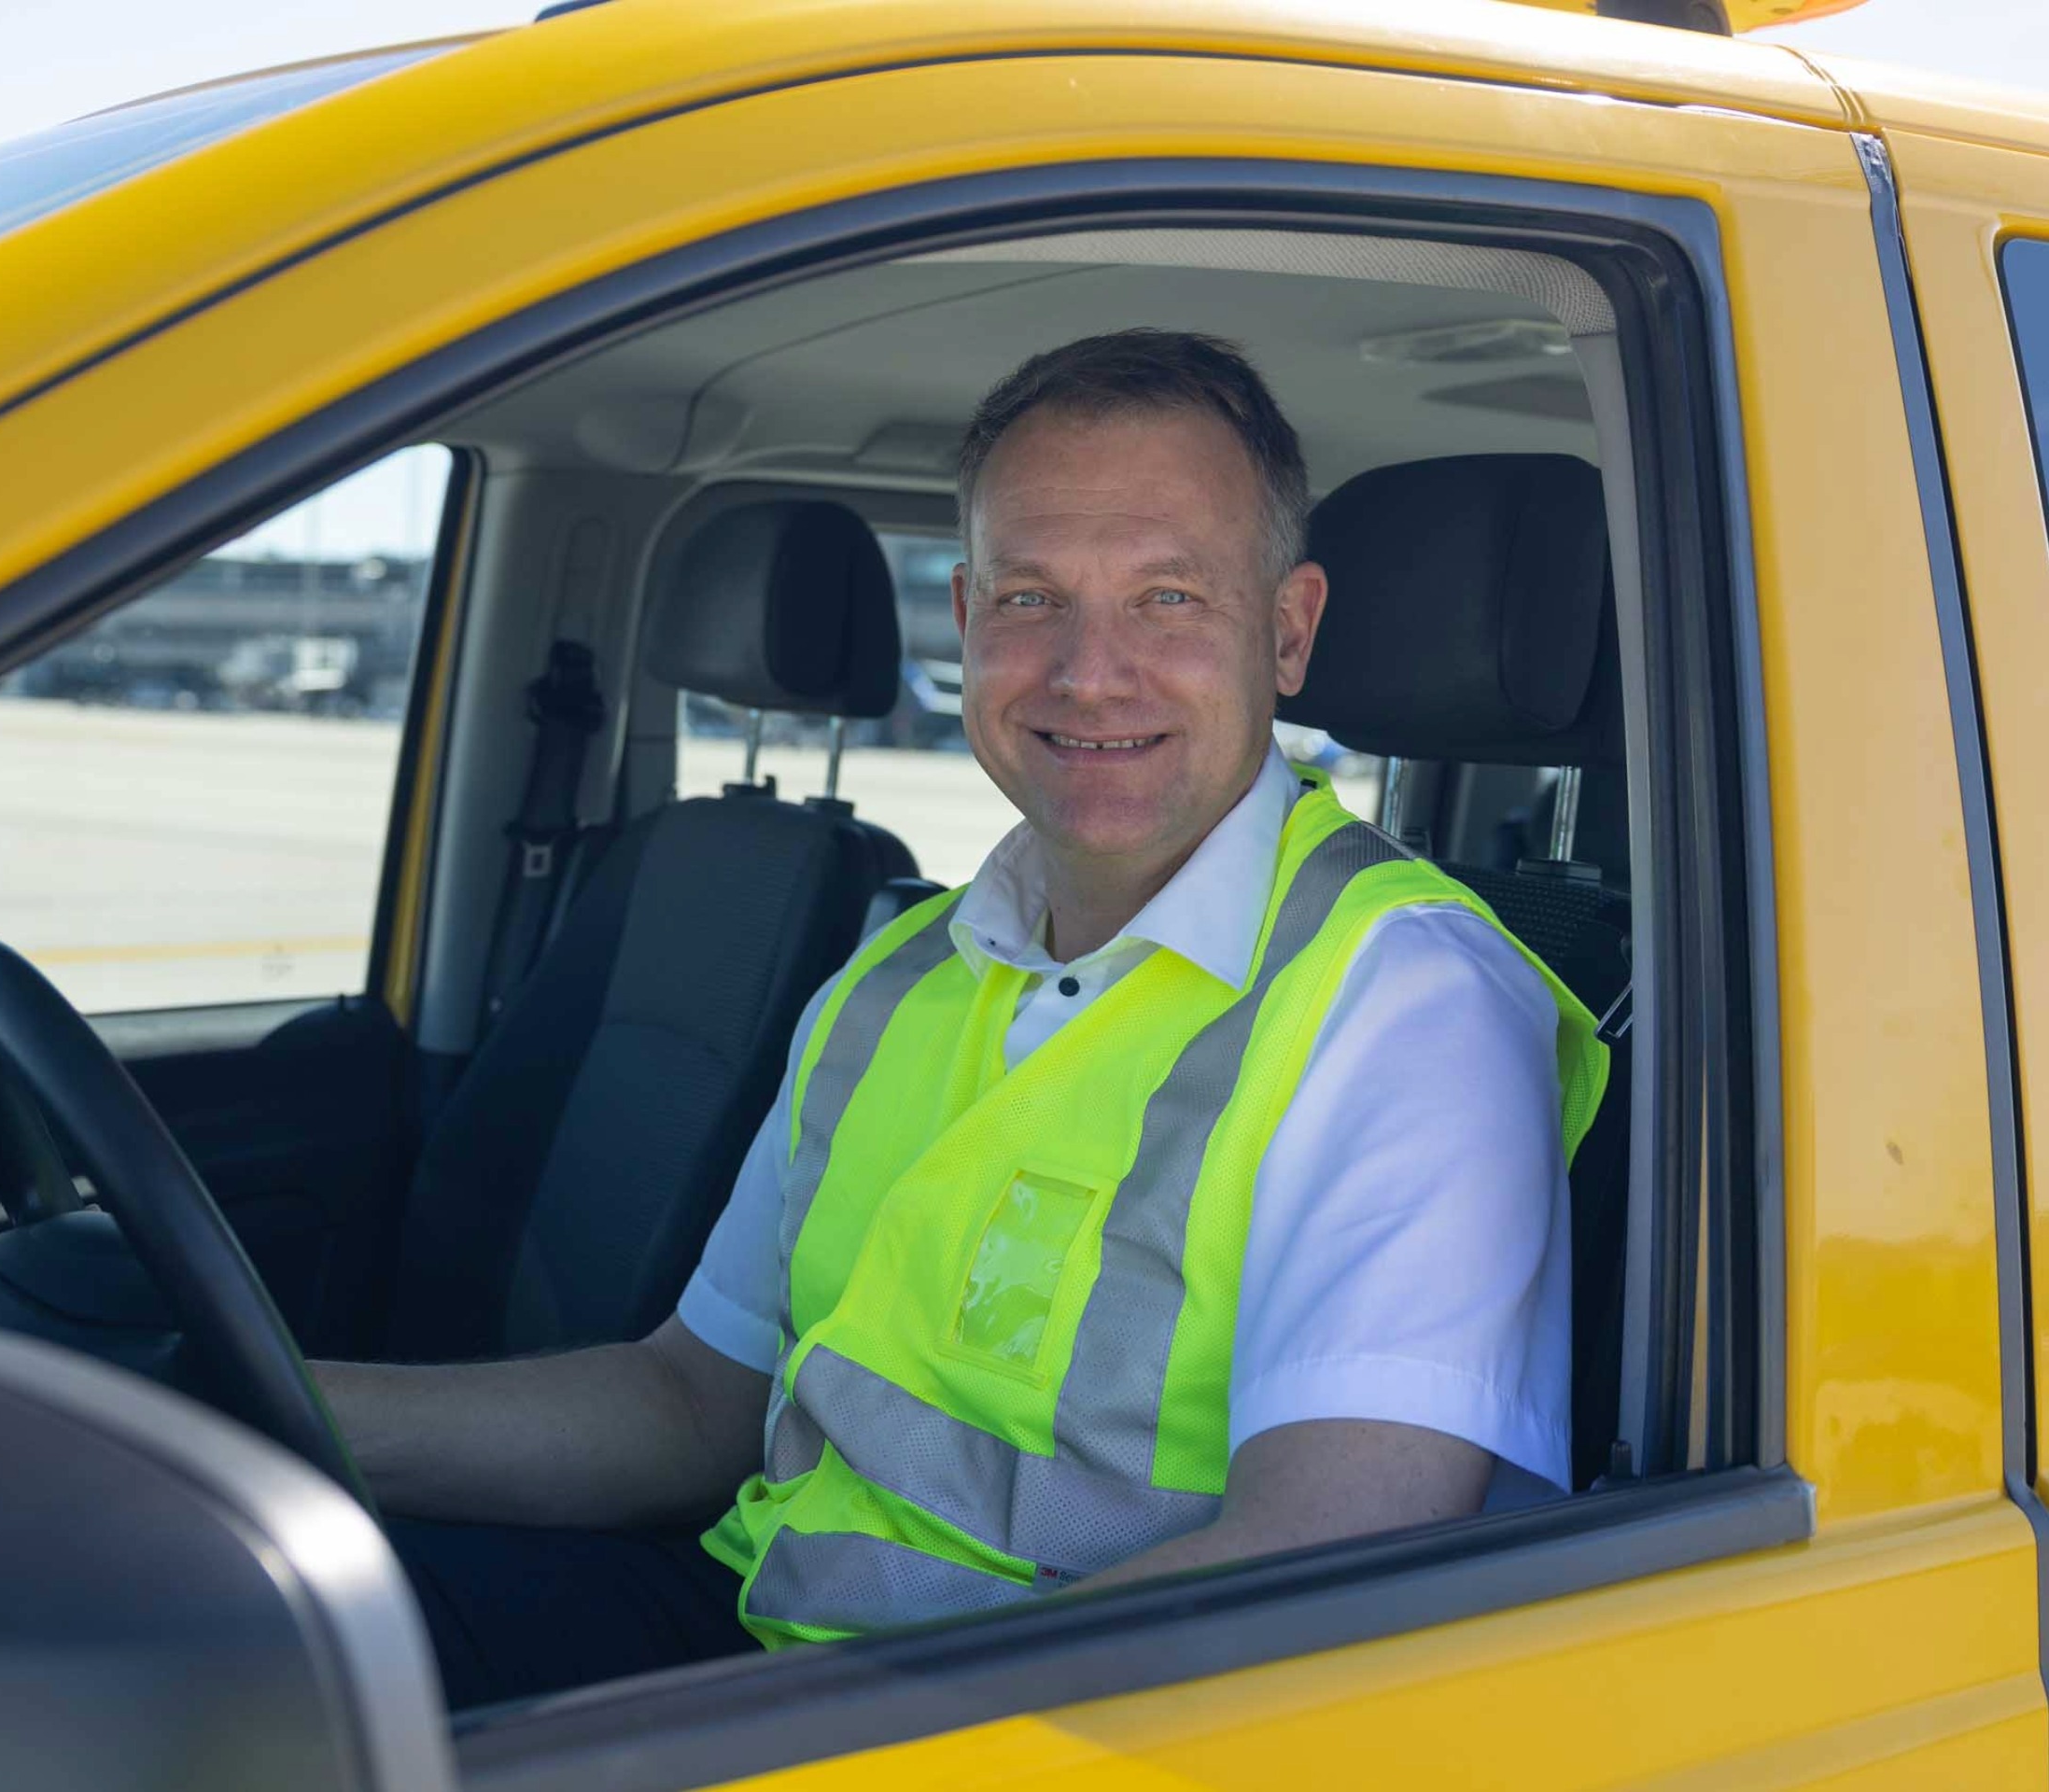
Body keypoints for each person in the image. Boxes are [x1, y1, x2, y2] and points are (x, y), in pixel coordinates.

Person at [313, 329, 1608, 1703]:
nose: (1088, 673)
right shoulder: (898, 974)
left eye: (1169, 598)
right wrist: (283, 1416)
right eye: (1034, 599)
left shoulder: (1404, 1006)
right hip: (761, 1632)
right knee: (243, 1636)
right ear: (965, 615)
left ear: (1286, 631)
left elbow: (1322, 1564)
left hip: (1039, 1727)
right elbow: (692, 1403)